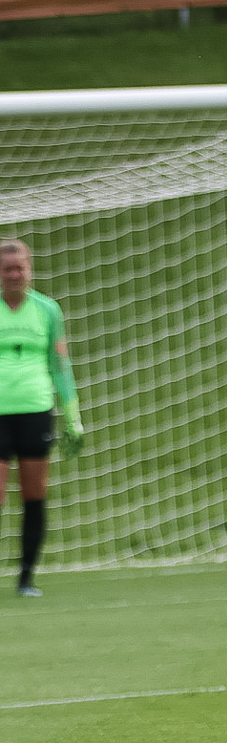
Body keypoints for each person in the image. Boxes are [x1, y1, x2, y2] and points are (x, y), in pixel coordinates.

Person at [1, 239, 84, 598]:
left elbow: (59, 365)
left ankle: (26, 578)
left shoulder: (48, 310)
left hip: (36, 410)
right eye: (7, 269)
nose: (15, 274)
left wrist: (73, 416)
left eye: (20, 267)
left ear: (29, 269)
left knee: (34, 495)